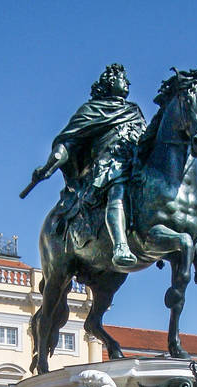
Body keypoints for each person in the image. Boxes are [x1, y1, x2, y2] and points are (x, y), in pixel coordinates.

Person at [24, 63, 146, 269]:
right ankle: (120, 246)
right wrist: (49, 167)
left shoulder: (134, 111)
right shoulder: (92, 110)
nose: (128, 83)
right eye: (122, 79)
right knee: (117, 189)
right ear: (110, 82)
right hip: (107, 168)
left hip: (135, 164)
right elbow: (68, 141)